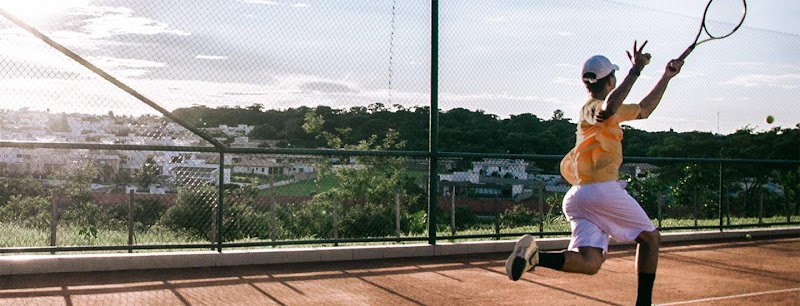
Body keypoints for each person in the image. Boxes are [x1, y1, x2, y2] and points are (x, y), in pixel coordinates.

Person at [505, 41, 683, 306]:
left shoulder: (608, 107)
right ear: (610, 80)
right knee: (650, 238)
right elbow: (608, 108)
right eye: (614, 75)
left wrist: (666, 76)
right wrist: (635, 71)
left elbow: (644, 109)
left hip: (579, 196)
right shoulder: (592, 108)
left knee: (590, 262)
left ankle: (535, 257)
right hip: (601, 190)